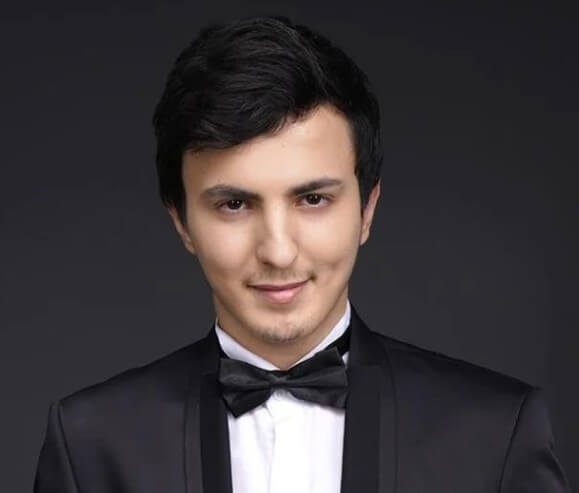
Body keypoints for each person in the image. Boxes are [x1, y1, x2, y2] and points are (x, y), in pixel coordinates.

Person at [34, 15, 571, 493]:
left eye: (313, 199)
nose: (278, 250)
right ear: (182, 223)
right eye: (234, 204)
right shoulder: (90, 444)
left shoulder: (497, 433)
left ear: (367, 209)